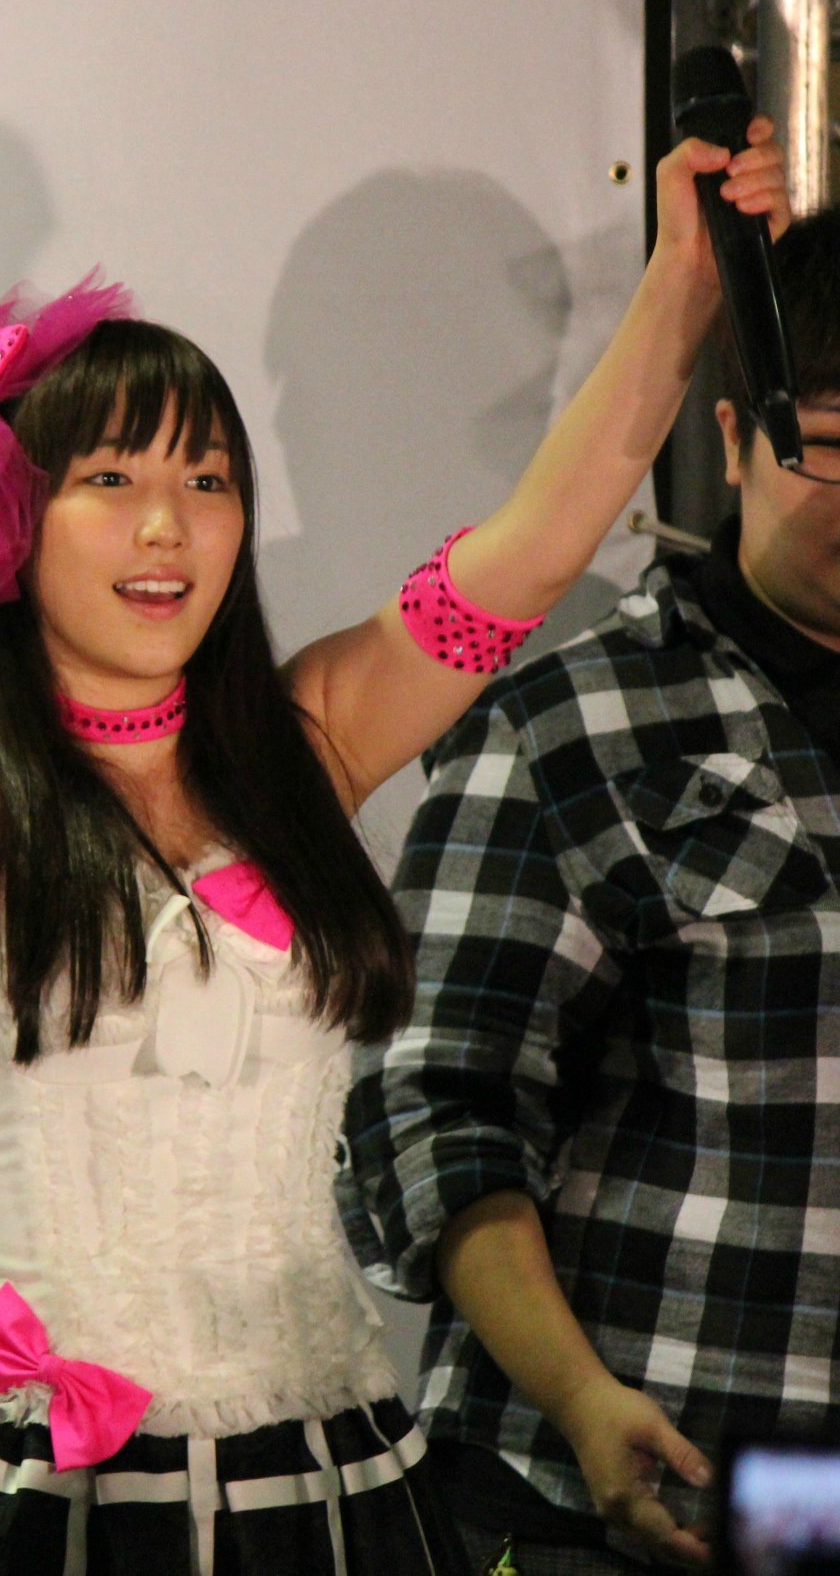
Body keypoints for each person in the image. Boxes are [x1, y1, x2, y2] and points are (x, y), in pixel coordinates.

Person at [0, 42, 786, 1576]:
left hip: (340, 1482)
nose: (168, 524)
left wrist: (684, 281)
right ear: (11, 517)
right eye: (112, 479)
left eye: (209, 478)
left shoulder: (299, 746)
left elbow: (540, 542)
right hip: (50, 1504)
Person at [342, 205, 840, 1576]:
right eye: (827, 445)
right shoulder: (572, 723)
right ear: (733, 437)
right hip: (624, 1477)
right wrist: (575, 1394)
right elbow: (433, 1103)